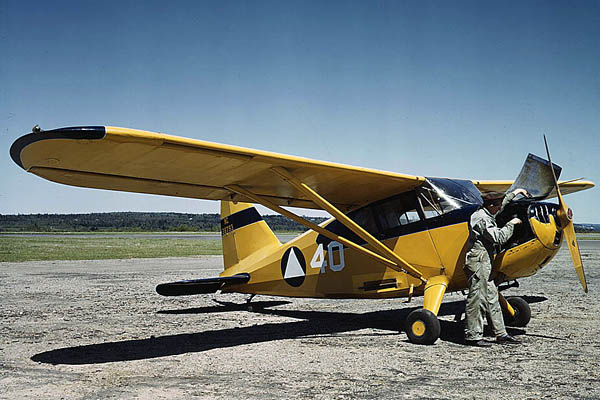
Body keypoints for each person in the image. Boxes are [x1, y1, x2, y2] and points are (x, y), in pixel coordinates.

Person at [463, 188, 529, 347]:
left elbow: (501, 202)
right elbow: (498, 237)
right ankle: (473, 336)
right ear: (492, 205)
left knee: (492, 298)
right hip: (478, 262)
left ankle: (501, 334)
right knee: (477, 298)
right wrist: (511, 224)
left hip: (485, 262)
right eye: (498, 205)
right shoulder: (481, 219)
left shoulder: (487, 211)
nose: (501, 208)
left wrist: (516, 192)